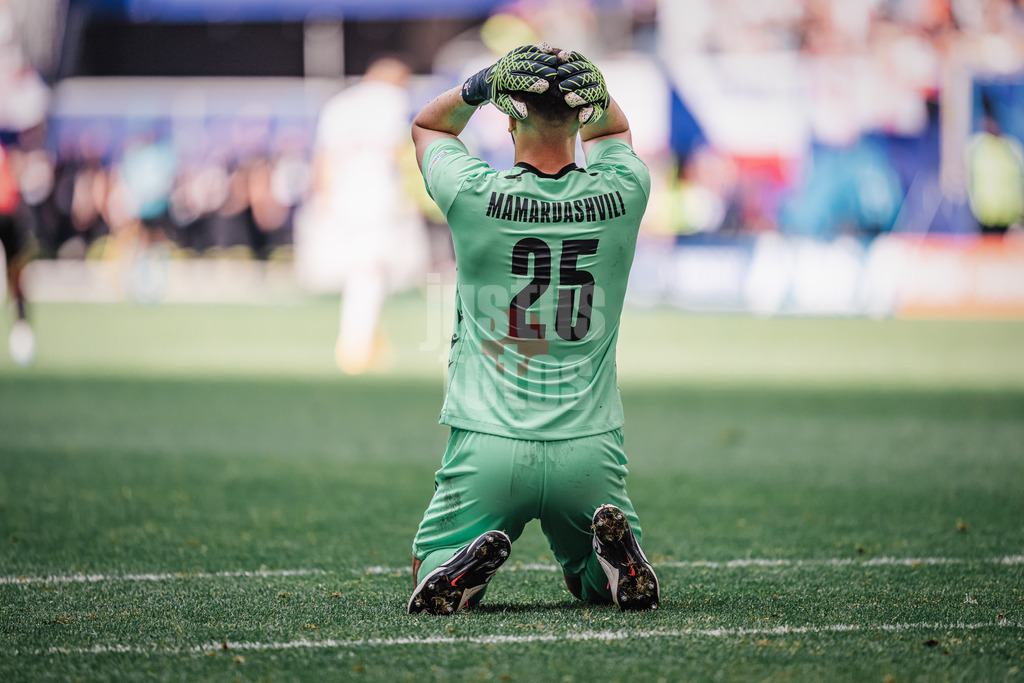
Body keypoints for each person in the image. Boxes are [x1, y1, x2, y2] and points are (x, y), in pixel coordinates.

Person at [407, 45, 659, 615]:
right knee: (587, 585)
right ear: (580, 114)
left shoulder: (475, 194)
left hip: (489, 441)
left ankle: (460, 566)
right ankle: (610, 564)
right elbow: (614, 132)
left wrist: (478, 85)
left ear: (509, 114)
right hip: (587, 445)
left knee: (428, 568)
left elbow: (427, 127)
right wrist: (590, 88)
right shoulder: (623, 193)